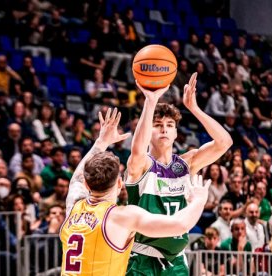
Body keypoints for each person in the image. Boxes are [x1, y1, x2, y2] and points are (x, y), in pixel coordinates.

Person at [61, 108, 212, 276]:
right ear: (120, 184)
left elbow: (76, 180)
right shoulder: (121, 217)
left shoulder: (74, 206)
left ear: (87, 185)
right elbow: (180, 225)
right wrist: (199, 200)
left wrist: (101, 142)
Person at [125, 73, 233, 275]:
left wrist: (194, 108)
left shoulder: (186, 163)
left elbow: (224, 143)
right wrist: (151, 101)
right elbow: (138, 150)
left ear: (176, 132)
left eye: (169, 125)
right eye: (158, 125)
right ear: (149, 131)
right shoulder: (141, 165)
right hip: (141, 260)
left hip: (176, 262)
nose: (164, 130)